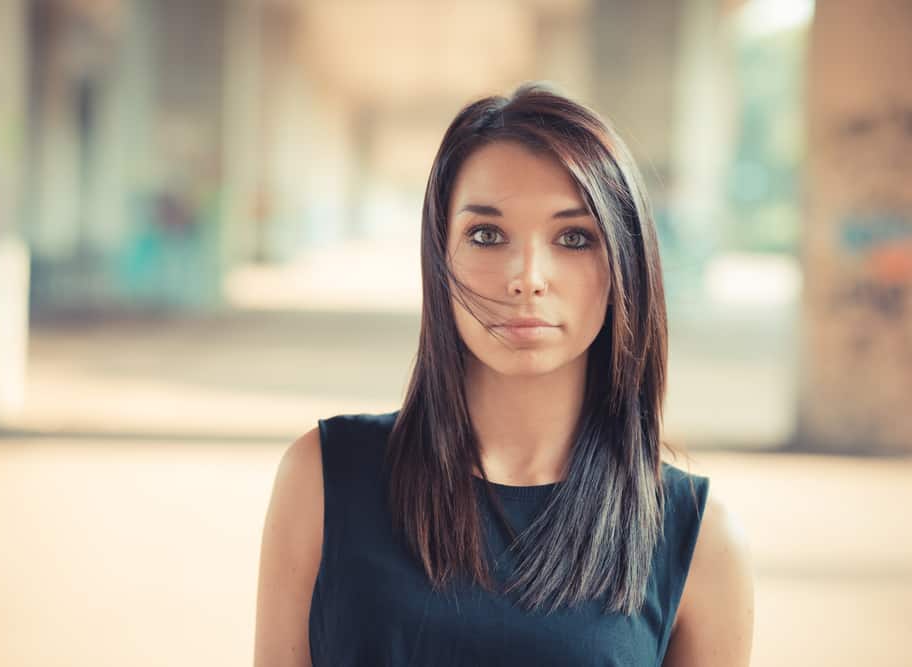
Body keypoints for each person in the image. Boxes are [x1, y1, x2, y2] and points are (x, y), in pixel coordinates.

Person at [255, 83, 754, 666]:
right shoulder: (322, 479)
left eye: (574, 238)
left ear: (626, 263)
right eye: (487, 235)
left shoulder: (696, 539)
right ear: (438, 256)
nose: (527, 277)